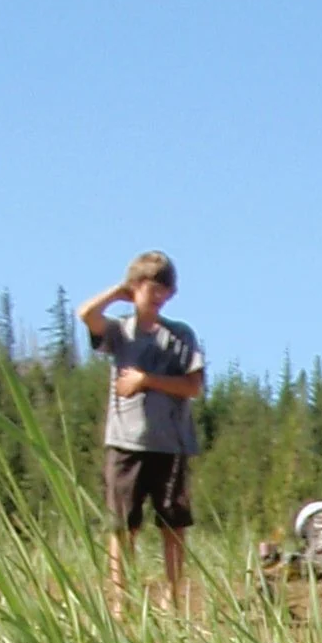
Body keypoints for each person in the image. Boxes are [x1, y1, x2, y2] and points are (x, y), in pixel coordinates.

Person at [74, 253, 206, 618]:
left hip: (172, 444)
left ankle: (173, 598)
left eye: (165, 289)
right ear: (136, 288)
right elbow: (85, 314)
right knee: (122, 527)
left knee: (174, 526)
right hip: (125, 443)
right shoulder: (120, 332)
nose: (159, 295)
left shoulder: (180, 336)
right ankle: (121, 602)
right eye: (152, 287)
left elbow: (193, 386)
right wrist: (118, 292)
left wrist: (146, 381)